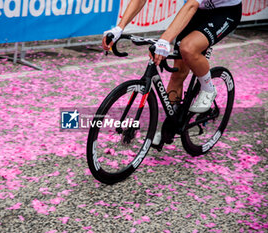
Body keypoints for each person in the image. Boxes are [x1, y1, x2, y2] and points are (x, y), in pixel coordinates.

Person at [102, 0, 242, 144]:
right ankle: (170, 124)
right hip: (198, 9)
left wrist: (164, 40)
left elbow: (191, 5)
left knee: (188, 48)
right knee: (178, 72)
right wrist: (119, 28)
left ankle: (208, 89)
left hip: (225, 11)